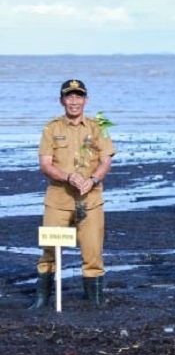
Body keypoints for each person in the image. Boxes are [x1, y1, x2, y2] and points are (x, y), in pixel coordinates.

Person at [33, 79, 115, 308]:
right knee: (50, 251)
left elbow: (106, 160)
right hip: (58, 200)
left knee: (93, 253)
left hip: (91, 201)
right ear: (62, 101)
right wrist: (68, 176)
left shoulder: (99, 126)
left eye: (78, 96)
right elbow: (45, 164)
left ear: (85, 100)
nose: (74, 101)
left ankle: (95, 300)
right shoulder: (51, 128)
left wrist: (93, 179)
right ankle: (42, 299)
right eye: (69, 97)